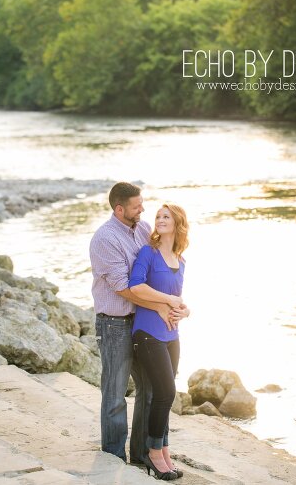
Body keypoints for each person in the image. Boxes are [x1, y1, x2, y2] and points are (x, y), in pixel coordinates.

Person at [89, 183, 188, 464]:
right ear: (120, 210)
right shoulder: (104, 239)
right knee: (116, 392)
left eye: (142, 204)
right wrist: (161, 305)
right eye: (136, 206)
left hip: (143, 324)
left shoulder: (143, 229)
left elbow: (163, 266)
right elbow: (123, 288)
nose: (143, 210)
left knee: (150, 390)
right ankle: (113, 457)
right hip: (115, 324)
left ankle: (143, 454)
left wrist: (180, 306)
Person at [129, 204, 190, 480]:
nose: (160, 220)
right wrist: (168, 301)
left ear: (178, 223)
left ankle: (164, 449)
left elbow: (178, 298)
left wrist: (186, 310)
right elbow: (136, 286)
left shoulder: (181, 260)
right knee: (164, 393)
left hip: (171, 336)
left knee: (166, 396)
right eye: (158, 216)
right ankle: (153, 453)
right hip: (147, 334)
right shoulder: (148, 253)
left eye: (167, 216)